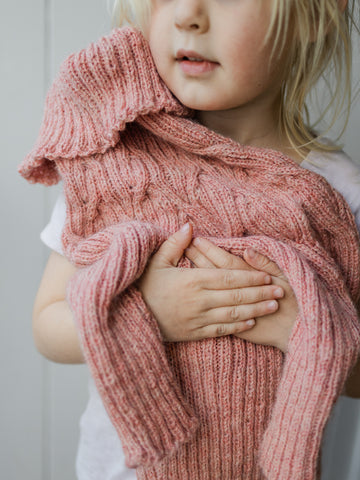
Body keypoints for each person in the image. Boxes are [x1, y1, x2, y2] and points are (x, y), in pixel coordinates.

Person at [19, 0, 360, 479]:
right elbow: (47, 325)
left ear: (316, 16)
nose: (187, 14)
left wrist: (305, 329)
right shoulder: (113, 167)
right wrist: (149, 312)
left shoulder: (341, 194)